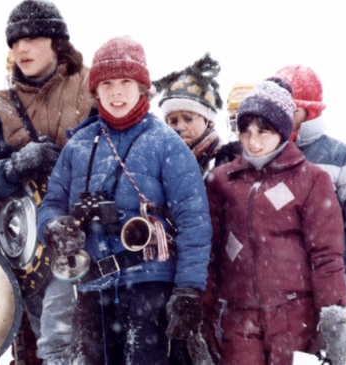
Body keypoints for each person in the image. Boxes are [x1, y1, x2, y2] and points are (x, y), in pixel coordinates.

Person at [37, 36, 212, 365]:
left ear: (142, 87)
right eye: (107, 83)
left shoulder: (166, 144)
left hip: (149, 289)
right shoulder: (77, 146)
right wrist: (52, 227)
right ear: (96, 89)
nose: (116, 92)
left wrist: (189, 289)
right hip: (91, 291)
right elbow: (50, 205)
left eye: (126, 82)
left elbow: (194, 221)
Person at [0, 1, 96, 364]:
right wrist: (15, 167)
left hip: (89, 236)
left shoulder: (95, 88)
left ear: (57, 41)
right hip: (27, 248)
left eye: (32, 38)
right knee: (49, 345)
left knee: (86, 344)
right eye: (14, 41)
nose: (21, 49)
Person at [202, 78, 346, 365]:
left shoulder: (312, 180)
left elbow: (325, 257)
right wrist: (204, 310)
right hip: (239, 318)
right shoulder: (221, 181)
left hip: (296, 318)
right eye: (245, 131)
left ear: (283, 131)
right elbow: (208, 255)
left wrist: (334, 317)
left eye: (264, 131)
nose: (253, 141)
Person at [274, 65, 346, 349]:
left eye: (291, 107)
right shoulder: (261, 154)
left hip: (324, 297)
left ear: (310, 111)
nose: (282, 114)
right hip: (266, 297)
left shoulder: (342, 157)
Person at [154, 53, 224, 177]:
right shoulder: (160, 163)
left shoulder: (227, 162)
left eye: (189, 119)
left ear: (209, 121)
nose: (180, 127)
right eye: (173, 121)